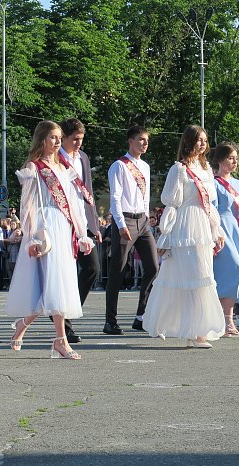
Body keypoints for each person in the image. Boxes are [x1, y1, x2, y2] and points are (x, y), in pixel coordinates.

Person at [6, 120, 93, 359]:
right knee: (49, 285)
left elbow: (74, 205)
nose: (56, 142)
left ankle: (24, 325)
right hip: (45, 228)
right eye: (52, 137)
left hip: (63, 227)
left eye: (58, 137)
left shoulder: (65, 169)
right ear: (42, 140)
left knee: (58, 285)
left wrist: (82, 233)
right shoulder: (34, 168)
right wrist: (32, 237)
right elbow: (29, 207)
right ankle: (60, 340)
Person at [142, 125, 225, 348]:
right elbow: (171, 203)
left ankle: (196, 329)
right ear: (189, 142)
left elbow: (211, 204)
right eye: (199, 140)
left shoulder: (207, 169)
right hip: (185, 226)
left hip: (203, 226)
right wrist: (166, 234)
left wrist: (217, 230)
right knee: (191, 277)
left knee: (202, 275)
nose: (202, 144)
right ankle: (193, 334)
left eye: (205, 140)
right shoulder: (178, 169)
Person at [104, 125, 159, 335]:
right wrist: (119, 224)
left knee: (153, 267)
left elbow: (144, 197)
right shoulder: (119, 166)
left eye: (146, 140)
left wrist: (147, 217)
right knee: (118, 271)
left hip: (142, 221)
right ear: (130, 141)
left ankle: (140, 316)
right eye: (141, 139)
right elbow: (116, 198)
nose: (144, 143)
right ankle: (110, 321)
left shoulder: (145, 167)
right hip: (125, 219)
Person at [58, 118, 100, 344]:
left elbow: (88, 192)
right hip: (62, 221)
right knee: (64, 273)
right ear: (63, 137)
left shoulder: (82, 158)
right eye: (74, 139)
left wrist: (94, 225)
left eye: (81, 139)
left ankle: (71, 312)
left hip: (82, 222)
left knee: (92, 268)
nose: (78, 144)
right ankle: (64, 326)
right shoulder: (55, 158)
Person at [210, 142, 239, 336]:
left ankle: (227, 320)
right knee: (232, 271)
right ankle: (224, 320)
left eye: (236, 158)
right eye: (230, 158)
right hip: (220, 229)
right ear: (220, 159)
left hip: (235, 231)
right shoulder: (212, 182)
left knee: (236, 274)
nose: (235, 162)